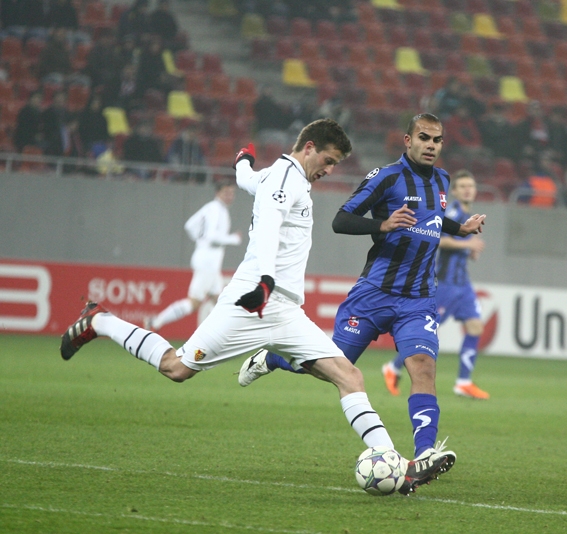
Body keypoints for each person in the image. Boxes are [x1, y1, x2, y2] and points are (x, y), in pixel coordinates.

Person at [59, 119, 447, 495]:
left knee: (349, 376)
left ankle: (394, 463)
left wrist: (242, 162)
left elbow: (247, 179)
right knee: (176, 368)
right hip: (253, 302)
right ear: (309, 147)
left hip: (286, 311)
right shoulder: (284, 178)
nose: (329, 170)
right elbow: (268, 229)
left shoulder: (278, 176)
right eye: (328, 161)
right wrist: (264, 281)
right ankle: (101, 321)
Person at [242, 113, 486, 472]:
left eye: (437, 140)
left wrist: (460, 229)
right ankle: (272, 359)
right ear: (408, 140)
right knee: (332, 367)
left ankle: (424, 453)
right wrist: (382, 224)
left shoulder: (442, 180)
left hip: (418, 298)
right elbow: (341, 220)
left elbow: (433, 216)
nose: (431, 145)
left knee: (423, 367)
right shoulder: (386, 177)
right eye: (424, 138)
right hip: (374, 294)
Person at [382, 169, 489, 399]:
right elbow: (436, 237)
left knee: (475, 327)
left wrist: (471, 250)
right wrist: (467, 245)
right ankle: (393, 367)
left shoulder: (467, 214)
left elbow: (462, 244)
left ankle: (463, 382)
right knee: (428, 330)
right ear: (455, 191)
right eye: (462, 186)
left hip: (463, 283)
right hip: (446, 283)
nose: (467, 190)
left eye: (471, 186)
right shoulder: (453, 211)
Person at [145, 182, 241, 332]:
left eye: (232, 193)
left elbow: (189, 225)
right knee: (194, 303)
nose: (230, 196)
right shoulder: (216, 209)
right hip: (208, 262)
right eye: (226, 192)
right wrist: (233, 239)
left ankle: (224, 334)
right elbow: (211, 237)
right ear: (217, 193)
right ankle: (156, 321)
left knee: (219, 300)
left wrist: (200, 240)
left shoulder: (212, 208)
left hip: (208, 261)